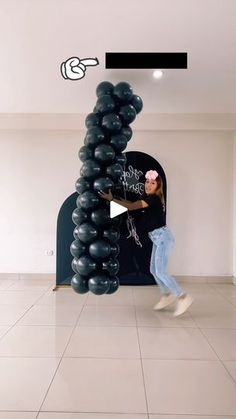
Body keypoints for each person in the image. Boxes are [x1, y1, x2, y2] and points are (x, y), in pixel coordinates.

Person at [99, 169, 193, 317]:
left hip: (163, 238)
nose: (148, 185)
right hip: (157, 238)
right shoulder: (147, 198)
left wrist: (112, 199)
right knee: (154, 270)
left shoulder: (154, 199)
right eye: (147, 182)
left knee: (160, 271)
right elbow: (131, 203)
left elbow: (130, 207)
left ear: (157, 186)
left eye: (152, 183)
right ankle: (167, 295)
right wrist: (114, 198)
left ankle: (183, 297)